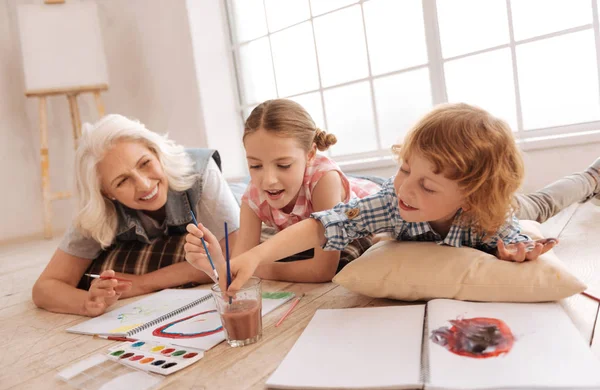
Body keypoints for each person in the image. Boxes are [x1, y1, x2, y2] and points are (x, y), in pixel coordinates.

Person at [206, 103, 599, 296]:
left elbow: (514, 240)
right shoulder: (392, 201)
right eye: (405, 169)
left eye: (428, 186)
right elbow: (324, 223)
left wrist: (514, 249)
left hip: (509, 206)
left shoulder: (490, 216)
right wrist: (255, 256)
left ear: (472, 194)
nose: (407, 188)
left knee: (542, 205)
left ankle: (590, 177)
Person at [31, 114, 240, 316]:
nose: (144, 185)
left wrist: (141, 283)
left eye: (145, 163)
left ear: (155, 151)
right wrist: (87, 303)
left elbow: (232, 257)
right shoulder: (98, 208)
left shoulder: (200, 171)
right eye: (122, 181)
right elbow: (46, 287)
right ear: (106, 193)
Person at [185, 99, 381, 283]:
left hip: (364, 197)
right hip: (301, 230)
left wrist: (257, 268)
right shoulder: (253, 196)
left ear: (310, 154)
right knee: (281, 254)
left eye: (284, 165)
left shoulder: (324, 180)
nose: (269, 181)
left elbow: (322, 270)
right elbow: (237, 269)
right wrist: (218, 262)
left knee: (349, 259)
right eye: (255, 166)